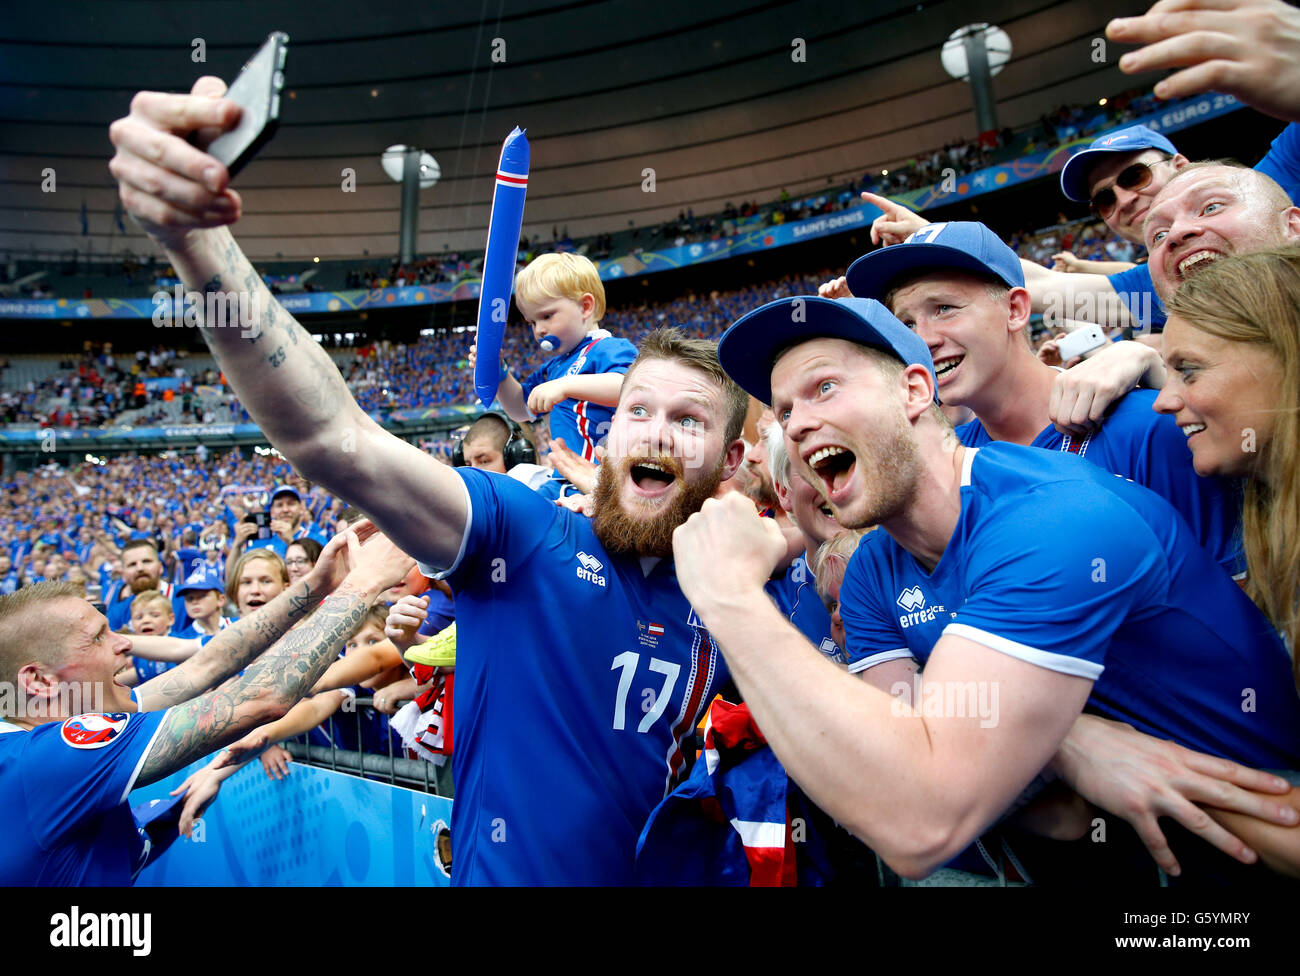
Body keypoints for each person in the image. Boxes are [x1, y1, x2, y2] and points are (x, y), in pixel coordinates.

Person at [107, 79, 747, 884]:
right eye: (637, 410)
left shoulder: (744, 588)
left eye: (687, 420)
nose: (653, 428)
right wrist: (198, 246)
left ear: (734, 462)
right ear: (604, 436)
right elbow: (336, 440)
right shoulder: (524, 531)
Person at [686, 294, 1300, 883]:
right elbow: (891, 762)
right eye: (785, 410)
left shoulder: (1052, 518)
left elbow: (920, 821)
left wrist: (732, 596)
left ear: (915, 390)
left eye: (823, 388)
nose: (798, 424)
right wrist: (1068, 744)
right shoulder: (873, 568)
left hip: (1266, 830)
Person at [0, 525, 414, 884]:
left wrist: (316, 587)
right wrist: (365, 584)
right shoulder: (51, 756)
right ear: (38, 681)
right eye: (97, 637)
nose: (124, 644)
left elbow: (204, 667)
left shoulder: (51, 722)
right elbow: (258, 697)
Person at [841, 220, 1241, 574]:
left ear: (1016, 310)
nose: (923, 339)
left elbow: (1241, 609)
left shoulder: (1146, 426)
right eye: (906, 323)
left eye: (944, 308)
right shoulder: (947, 470)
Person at [479, 252, 637, 464]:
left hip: (602, 477)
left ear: (585, 307)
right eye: (532, 322)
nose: (539, 330)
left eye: (546, 316)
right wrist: (499, 371)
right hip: (565, 478)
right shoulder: (552, 369)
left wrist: (565, 386)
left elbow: (629, 389)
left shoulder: (609, 348)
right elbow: (519, 409)